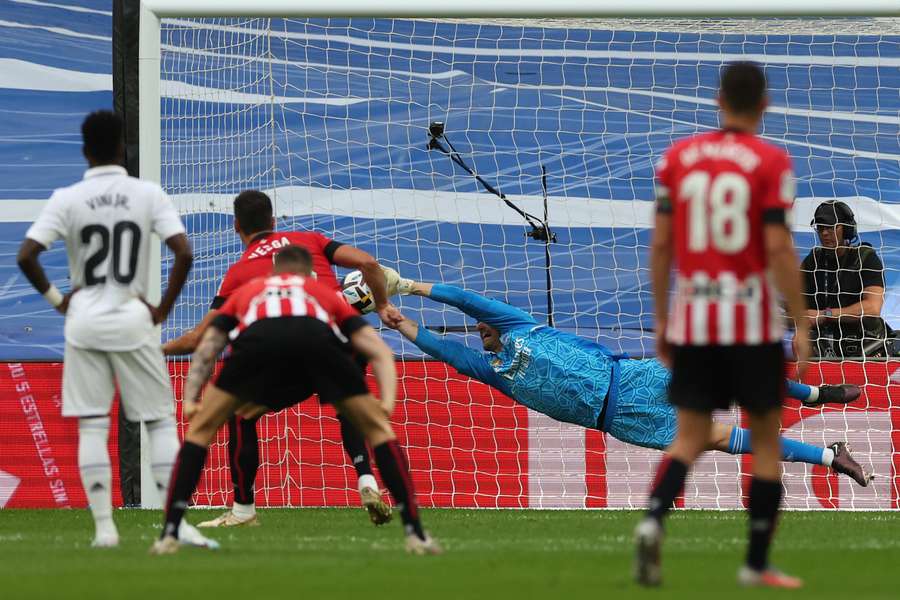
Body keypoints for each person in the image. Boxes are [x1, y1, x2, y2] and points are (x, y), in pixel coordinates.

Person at [388, 280, 868, 484]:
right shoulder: (491, 371)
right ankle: (831, 456)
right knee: (724, 440)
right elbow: (445, 351)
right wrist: (400, 323)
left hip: (631, 378)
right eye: (479, 331)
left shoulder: (517, 324)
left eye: (482, 325)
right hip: (619, 419)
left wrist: (408, 287)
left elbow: (463, 299)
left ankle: (812, 393)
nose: (479, 329)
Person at [150, 246, 441, 555]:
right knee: (379, 430)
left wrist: (191, 399)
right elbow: (377, 350)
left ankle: (174, 532)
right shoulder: (323, 293)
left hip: (260, 347)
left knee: (207, 429)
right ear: (310, 273)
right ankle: (415, 533)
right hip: (320, 347)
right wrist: (387, 401)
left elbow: (208, 346)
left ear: (275, 271)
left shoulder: (251, 290)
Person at [637, 62, 808, 588]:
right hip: (750, 320)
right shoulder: (771, 160)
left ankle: (652, 520)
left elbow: (662, 243)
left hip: (695, 316)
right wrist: (799, 319)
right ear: (764, 105)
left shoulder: (679, 159)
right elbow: (778, 245)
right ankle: (756, 563)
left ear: (717, 100)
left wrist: (664, 317)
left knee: (688, 436)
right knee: (763, 439)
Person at [16, 110, 215, 549]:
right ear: (123, 146)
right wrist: (162, 308)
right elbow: (183, 252)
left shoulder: (67, 197)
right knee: (159, 421)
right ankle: (176, 526)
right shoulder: (146, 193)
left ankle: (105, 531)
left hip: (84, 319)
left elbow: (27, 255)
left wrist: (60, 300)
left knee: (91, 424)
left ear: (85, 150)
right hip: (132, 317)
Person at [164, 190, 402, 528]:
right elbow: (368, 263)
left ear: (236, 228)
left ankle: (243, 510)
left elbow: (201, 338)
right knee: (350, 403)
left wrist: (156, 349)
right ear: (274, 222)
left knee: (240, 415)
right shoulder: (309, 240)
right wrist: (380, 305)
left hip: (286, 349)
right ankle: (367, 480)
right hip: (340, 342)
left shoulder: (239, 272)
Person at [802, 200, 890, 358]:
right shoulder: (813, 261)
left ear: (848, 229)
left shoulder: (865, 257)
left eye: (830, 227)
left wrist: (824, 315)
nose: (824, 233)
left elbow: (872, 308)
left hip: (866, 350)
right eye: (820, 228)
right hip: (824, 350)